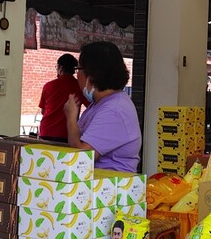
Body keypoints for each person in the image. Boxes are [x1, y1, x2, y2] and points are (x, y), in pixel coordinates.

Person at [63, 41, 141, 172]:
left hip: (110, 183)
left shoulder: (114, 109)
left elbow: (81, 158)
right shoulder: (101, 104)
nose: (77, 75)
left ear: (91, 74)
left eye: (79, 69)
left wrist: (71, 118)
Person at [38, 53, 87, 142]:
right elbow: (91, 107)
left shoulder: (49, 86)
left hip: (46, 131)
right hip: (67, 133)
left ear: (60, 67)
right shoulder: (79, 86)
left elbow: (43, 111)